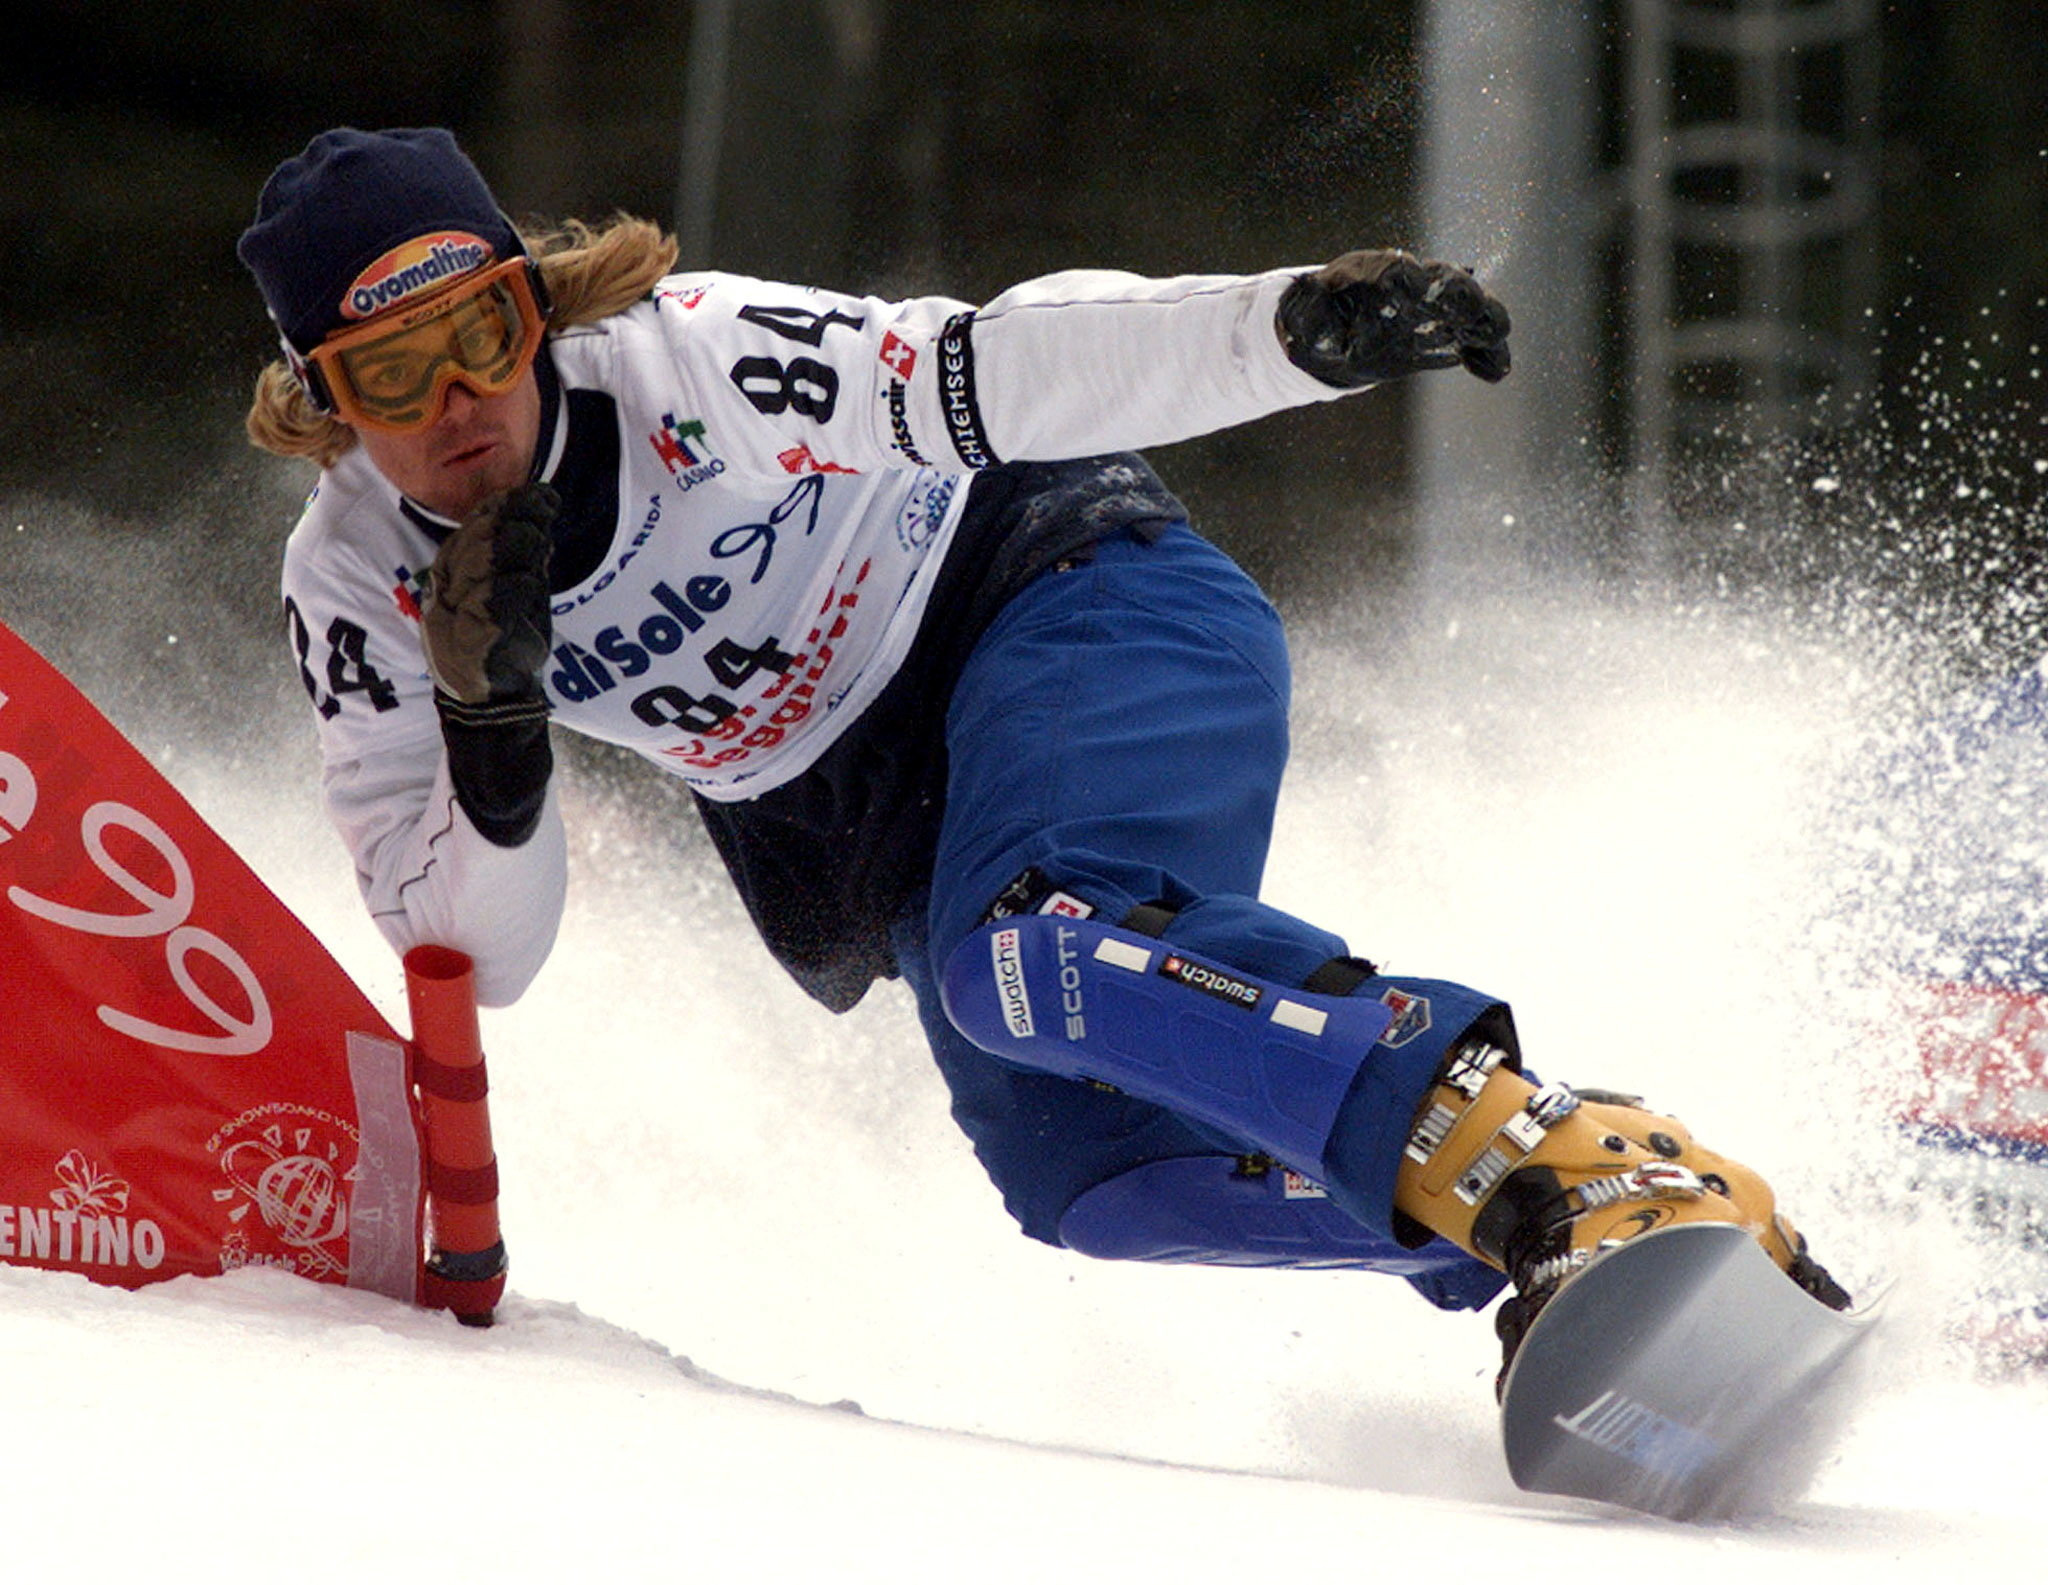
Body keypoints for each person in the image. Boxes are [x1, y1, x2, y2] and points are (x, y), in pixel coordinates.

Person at [238, 126, 1846, 1371]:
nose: (460, 400)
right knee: (1086, 1177)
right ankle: (1525, 1232)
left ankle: (1566, 1160)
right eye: (392, 371)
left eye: (488, 329)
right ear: (322, 402)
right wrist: (494, 736)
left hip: (1063, 598)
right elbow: (481, 955)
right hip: (884, 815)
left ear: (539, 306)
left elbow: (998, 364)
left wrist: (1284, 332)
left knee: (1031, 953)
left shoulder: (693, 360)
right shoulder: (355, 589)